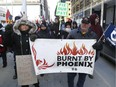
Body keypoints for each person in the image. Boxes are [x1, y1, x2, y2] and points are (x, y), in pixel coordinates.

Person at [67, 17, 103, 87]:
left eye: (86, 23)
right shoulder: (73, 33)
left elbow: (100, 48)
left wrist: (99, 46)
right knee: (70, 79)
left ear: (89, 25)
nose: (84, 25)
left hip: (84, 63)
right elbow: (64, 45)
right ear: (81, 23)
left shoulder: (93, 35)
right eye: (83, 23)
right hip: (73, 62)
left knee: (81, 80)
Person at [9, 19, 39, 87]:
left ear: (29, 26)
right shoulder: (15, 35)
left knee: (34, 77)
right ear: (19, 26)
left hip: (31, 58)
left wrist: (36, 37)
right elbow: (10, 44)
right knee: (24, 80)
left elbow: (40, 43)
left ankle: (36, 84)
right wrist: (7, 34)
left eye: (26, 25)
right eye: (23, 25)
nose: (24, 27)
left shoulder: (32, 34)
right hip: (20, 59)